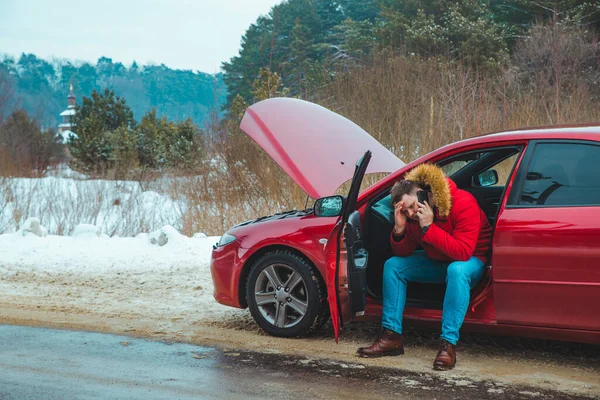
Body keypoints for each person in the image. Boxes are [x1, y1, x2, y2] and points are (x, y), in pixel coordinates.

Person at [357, 163, 492, 370]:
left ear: (421, 194)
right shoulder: (412, 218)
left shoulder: (463, 202)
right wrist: (400, 228)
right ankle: (391, 336)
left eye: (412, 206)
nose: (411, 213)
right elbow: (403, 252)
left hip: (471, 261)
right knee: (393, 265)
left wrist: (428, 227)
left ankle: (448, 345)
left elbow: (463, 252)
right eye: (405, 210)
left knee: (456, 270)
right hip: (439, 261)